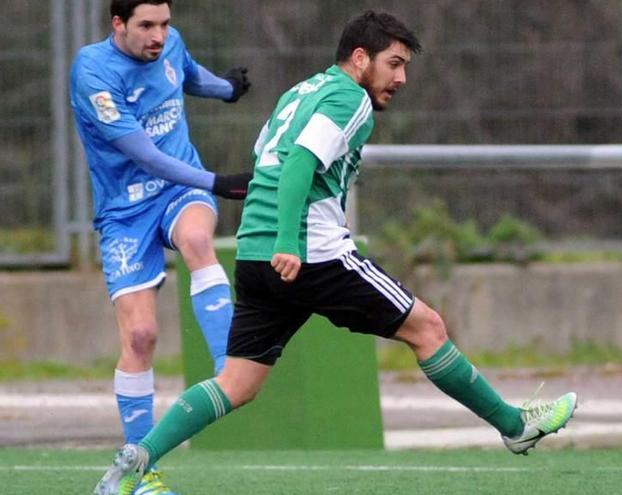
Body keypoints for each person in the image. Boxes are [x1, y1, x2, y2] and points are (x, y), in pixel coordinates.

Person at [93, 10, 577, 494]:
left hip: (254, 254)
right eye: (393, 64)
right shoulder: (350, 98)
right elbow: (300, 162)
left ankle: (133, 464)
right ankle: (515, 427)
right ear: (360, 58)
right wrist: (289, 241)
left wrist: (271, 237)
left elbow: (266, 156)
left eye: (405, 66)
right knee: (427, 328)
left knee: (236, 384)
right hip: (310, 253)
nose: (401, 78)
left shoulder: (300, 92)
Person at [70, 1, 252, 493]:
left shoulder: (168, 43)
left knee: (195, 238)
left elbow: (186, 74)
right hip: (125, 211)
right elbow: (144, 154)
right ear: (117, 25)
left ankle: (228, 365)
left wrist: (226, 89)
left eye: (165, 24)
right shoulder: (93, 72)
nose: (159, 35)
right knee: (140, 337)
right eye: (146, 26)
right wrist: (217, 181)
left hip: (178, 191)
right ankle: (141, 473)